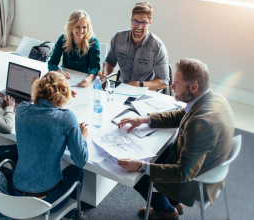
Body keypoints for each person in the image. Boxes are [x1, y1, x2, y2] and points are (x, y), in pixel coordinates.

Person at [117, 58, 234, 219]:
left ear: (194, 87)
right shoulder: (212, 96)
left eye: (176, 85)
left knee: (136, 174)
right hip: (203, 161)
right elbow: (181, 115)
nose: (171, 87)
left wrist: (141, 167)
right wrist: (144, 119)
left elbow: (183, 173)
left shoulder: (202, 124)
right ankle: (172, 202)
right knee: (155, 154)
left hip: (191, 180)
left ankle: (165, 211)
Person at [12, 71, 88, 220]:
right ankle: (70, 216)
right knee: (77, 171)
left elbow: (33, 103)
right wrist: (83, 137)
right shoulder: (66, 117)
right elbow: (81, 160)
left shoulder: (20, 109)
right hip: (46, 200)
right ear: (63, 94)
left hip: (15, 194)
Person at [97, 2, 169, 90]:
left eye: (143, 23)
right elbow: (110, 62)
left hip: (144, 91)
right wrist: (105, 72)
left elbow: (164, 81)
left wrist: (140, 84)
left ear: (149, 23)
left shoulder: (157, 47)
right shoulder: (118, 39)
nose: (138, 27)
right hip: (121, 88)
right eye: (136, 22)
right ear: (131, 20)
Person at [48, 10, 100, 87]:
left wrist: (89, 79)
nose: (81, 31)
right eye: (78, 26)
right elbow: (52, 62)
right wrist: (59, 72)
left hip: (84, 79)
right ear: (71, 26)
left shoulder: (93, 42)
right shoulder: (63, 39)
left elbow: (95, 66)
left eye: (84, 27)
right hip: (66, 79)